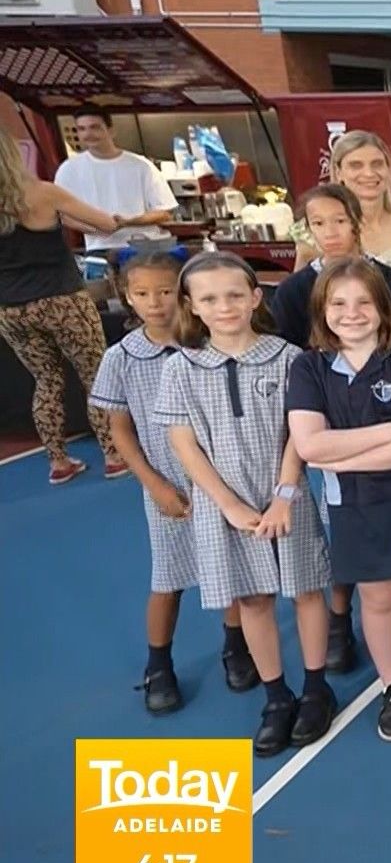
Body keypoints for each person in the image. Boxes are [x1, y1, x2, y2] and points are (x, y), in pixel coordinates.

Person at [157, 252, 333, 757]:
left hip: (286, 498)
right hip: (226, 507)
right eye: (210, 298)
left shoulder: (289, 358)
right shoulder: (181, 368)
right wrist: (227, 504)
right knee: (253, 598)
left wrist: (284, 493)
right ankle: (277, 696)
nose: (225, 306)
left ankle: (316, 688)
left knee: (306, 590)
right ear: (192, 306)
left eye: (235, 295)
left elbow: (300, 432)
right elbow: (183, 443)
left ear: (256, 298)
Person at [285, 260, 391, 741]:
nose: (352, 312)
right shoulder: (308, 368)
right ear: (322, 310)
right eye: (338, 303)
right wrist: (388, 431)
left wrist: (344, 456)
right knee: (377, 597)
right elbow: (310, 446)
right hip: (353, 506)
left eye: (364, 302)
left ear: (383, 309)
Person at [90, 247, 256, 714]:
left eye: (164, 292)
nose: (155, 302)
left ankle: (236, 645)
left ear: (183, 295)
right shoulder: (121, 357)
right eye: (142, 293)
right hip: (168, 488)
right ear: (127, 296)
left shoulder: (205, 346)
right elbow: (119, 430)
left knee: (230, 567)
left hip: (220, 480)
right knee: (169, 578)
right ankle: (159, 664)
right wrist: (155, 485)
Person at [0, 133, 126, 484]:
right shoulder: (43, 193)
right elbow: (106, 224)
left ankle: (58, 461)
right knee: (95, 375)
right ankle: (114, 454)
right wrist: (65, 216)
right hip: (62, 299)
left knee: (46, 379)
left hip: (10, 308)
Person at [295, 131, 391, 315]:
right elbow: (298, 297)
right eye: (356, 165)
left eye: (377, 164)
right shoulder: (314, 229)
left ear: (389, 170)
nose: (369, 173)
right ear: (339, 172)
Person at [272, 184, 391, 355]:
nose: (330, 232)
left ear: (358, 222)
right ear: (309, 229)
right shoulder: (292, 292)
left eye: (340, 221)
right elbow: (288, 355)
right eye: (318, 223)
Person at [53, 108, 176, 254]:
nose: (88, 134)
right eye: (81, 129)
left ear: (111, 131)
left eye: (94, 127)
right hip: (100, 249)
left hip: (145, 246)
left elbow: (165, 213)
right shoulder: (68, 169)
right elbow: (64, 215)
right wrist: (98, 230)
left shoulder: (141, 165)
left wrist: (128, 222)